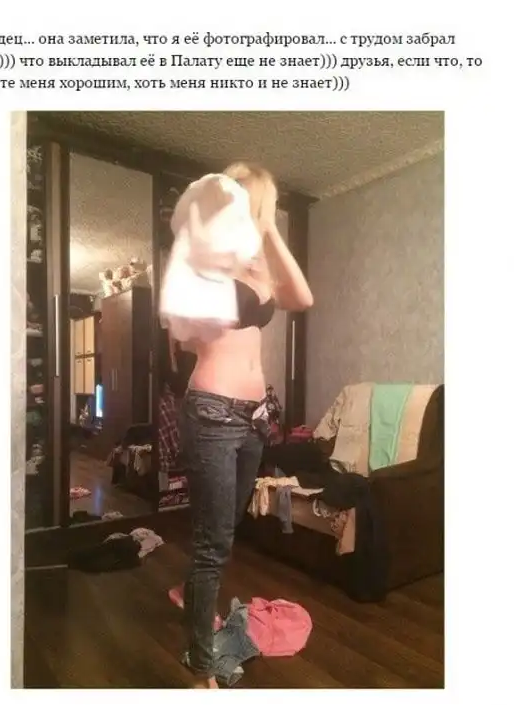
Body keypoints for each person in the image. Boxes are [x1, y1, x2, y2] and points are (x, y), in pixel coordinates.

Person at [177, 162, 314, 688]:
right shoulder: (204, 261)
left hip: (255, 417)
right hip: (212, 410)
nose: (261, 212)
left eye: (266, 205)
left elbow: (302, 299)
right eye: (260, 203)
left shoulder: (258, 264)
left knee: (224, 533)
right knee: (213, 544)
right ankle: (199, 668)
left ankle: (196, 601)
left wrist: (271, 230)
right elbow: (188, 334)